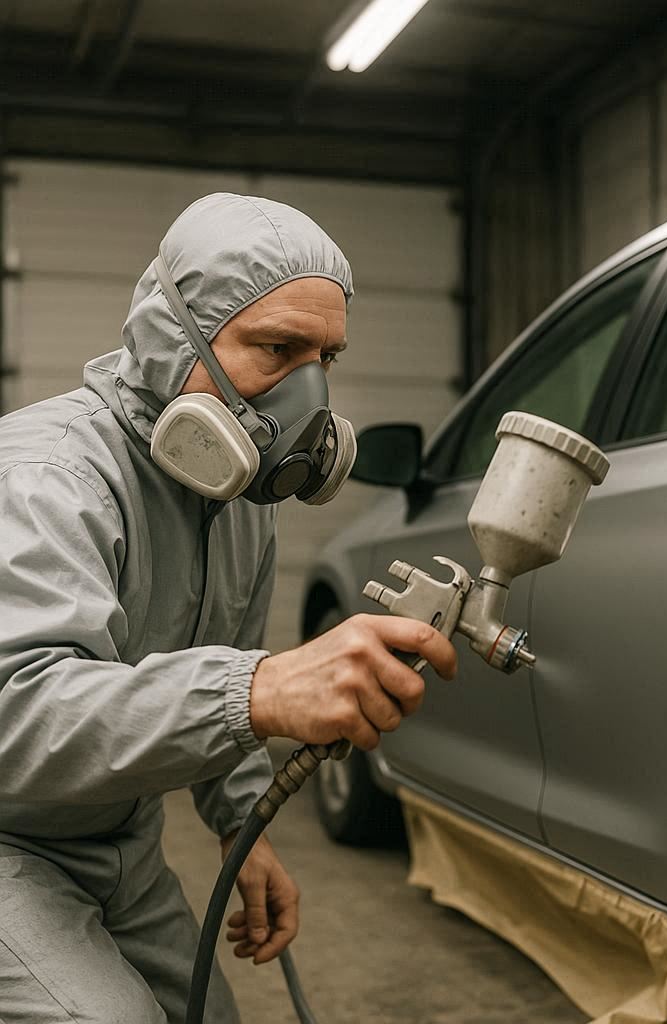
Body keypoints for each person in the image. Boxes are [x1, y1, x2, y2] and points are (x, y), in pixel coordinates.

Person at [0, 193, 457, 1023]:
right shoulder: (49, 480)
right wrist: (260, 689)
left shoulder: (242, 496)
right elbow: (16, 714)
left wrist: (242, 828)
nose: (307, 396)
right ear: (175, 336)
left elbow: (230, 657)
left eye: (326, 357)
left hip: (121, 837)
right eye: (277, 349)